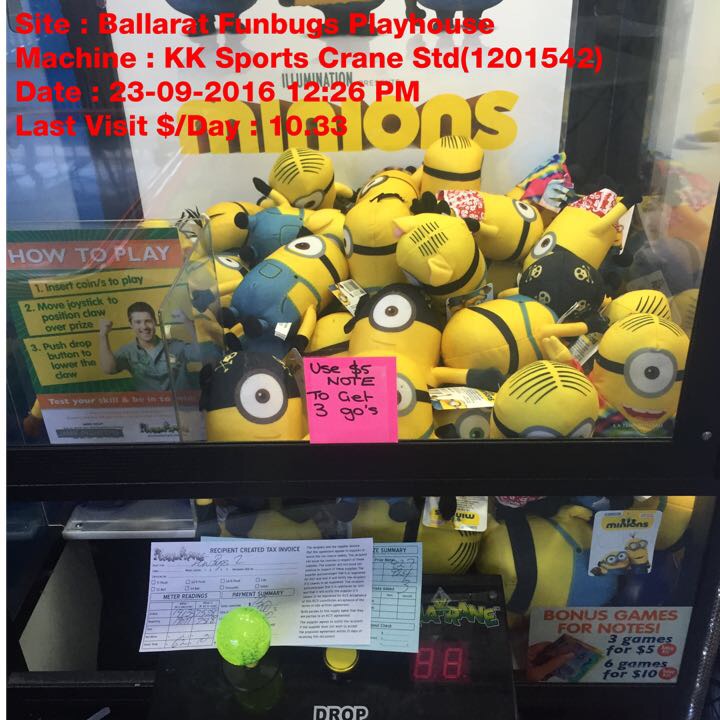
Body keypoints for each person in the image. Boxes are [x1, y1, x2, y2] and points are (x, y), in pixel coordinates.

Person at [99, 301, 203, 391]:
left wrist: (187, 322)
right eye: (138, 322)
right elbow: (109, 369)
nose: (144, 327)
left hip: (181, 406)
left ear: (155, 322)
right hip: (150, 407)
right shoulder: (128, 351)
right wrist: (103, 335)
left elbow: (201, 354)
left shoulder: (175, 346)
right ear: (131, 325)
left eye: (148, 321)